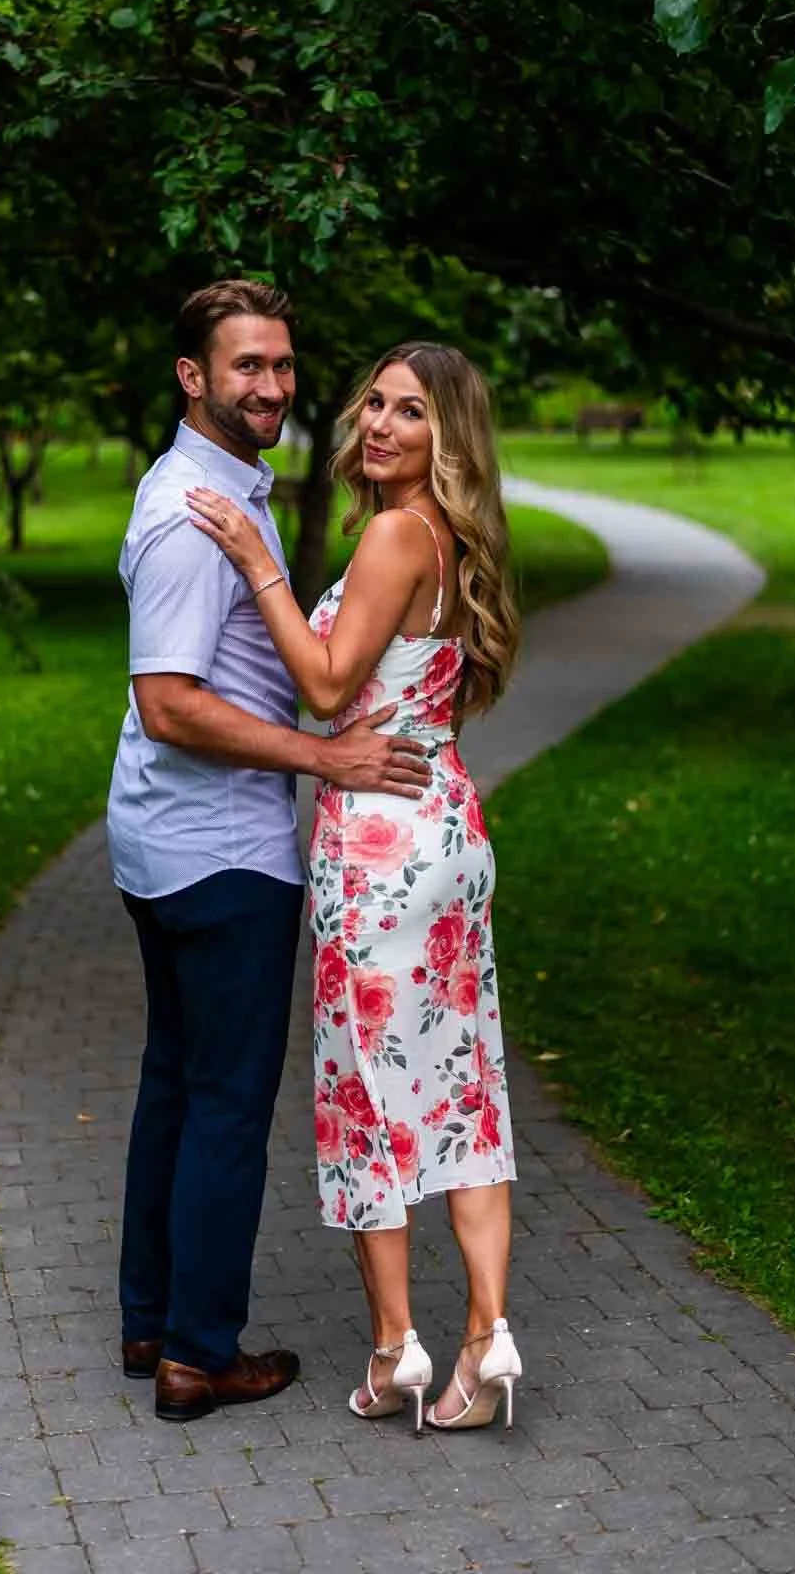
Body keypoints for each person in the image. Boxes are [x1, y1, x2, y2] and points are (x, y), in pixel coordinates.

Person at [106, 281, 433, 1424]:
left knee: (175, 1080)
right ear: (192, 376)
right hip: (218, 852)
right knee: (227, 1102)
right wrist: (322, 757)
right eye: (245, 365)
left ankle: (150, 1320)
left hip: (169, 839)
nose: (271, 386)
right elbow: (168, 704)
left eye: (282, 365)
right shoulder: (190, 516)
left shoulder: (219, 486)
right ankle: (199, 1355)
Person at [188, 340, 523, 1436]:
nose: (378, 424)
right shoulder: (453, 538)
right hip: (447, 829)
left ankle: (394, 1352)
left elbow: (328, 685)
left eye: (410, 411)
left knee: (367, 1092)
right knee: (464, 1086)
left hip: (378, 847)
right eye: (374, 402)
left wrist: (258, 563)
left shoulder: (392, 534)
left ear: (447, 436)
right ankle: (486, 1337)